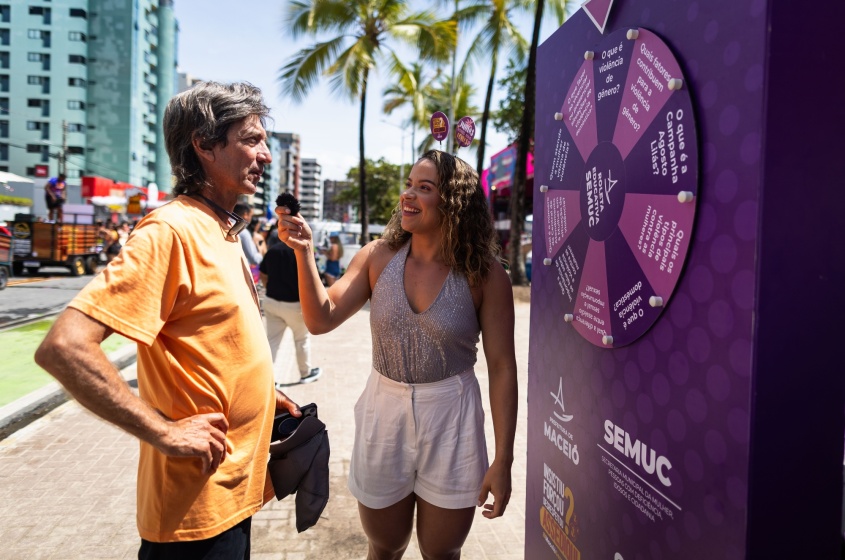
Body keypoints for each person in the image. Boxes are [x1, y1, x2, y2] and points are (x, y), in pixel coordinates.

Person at [34, 81, 301, 558]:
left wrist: (262, 393)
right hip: (192, 519)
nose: (265, 155)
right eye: (251, 139)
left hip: (232, 496)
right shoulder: (169, 231)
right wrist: (165, 432)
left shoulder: (222, 228)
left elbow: (213, 338)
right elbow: (65, 347)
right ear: (204, 143)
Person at [277, 149, 518, 559]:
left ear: (454, 203)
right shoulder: (377, 256)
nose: (408, 194)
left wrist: (504, 460)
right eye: (409, 184)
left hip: (452, 417)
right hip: (383, 409)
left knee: (441, 551)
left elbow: (502, 368)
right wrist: (303, 253)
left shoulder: (485, 274)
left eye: (424, 188)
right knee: (385, 545)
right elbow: (321, 319)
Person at [259, 239, 322, 387]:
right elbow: (313, 279)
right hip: (295, 304)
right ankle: (305, 373)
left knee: (272, 341)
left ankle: (268, 378)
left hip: (272, 300)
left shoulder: (273, 250)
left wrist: (269, 286)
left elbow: (263, 273)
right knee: (301, 340)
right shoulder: (302, 251)